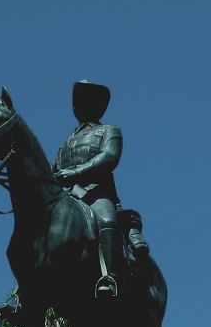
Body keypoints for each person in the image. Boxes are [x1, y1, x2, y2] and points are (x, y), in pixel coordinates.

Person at [52, 80, 148, 297]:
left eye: (85, 100)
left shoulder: (110, 130)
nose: (79, 105)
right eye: (77, 101)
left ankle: (111, 277)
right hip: (67, 197)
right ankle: (24, 293)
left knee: (107, 221)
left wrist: (76, 173)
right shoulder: (66, 143)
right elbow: (52, 171)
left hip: (96, 193)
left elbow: (110, 157)